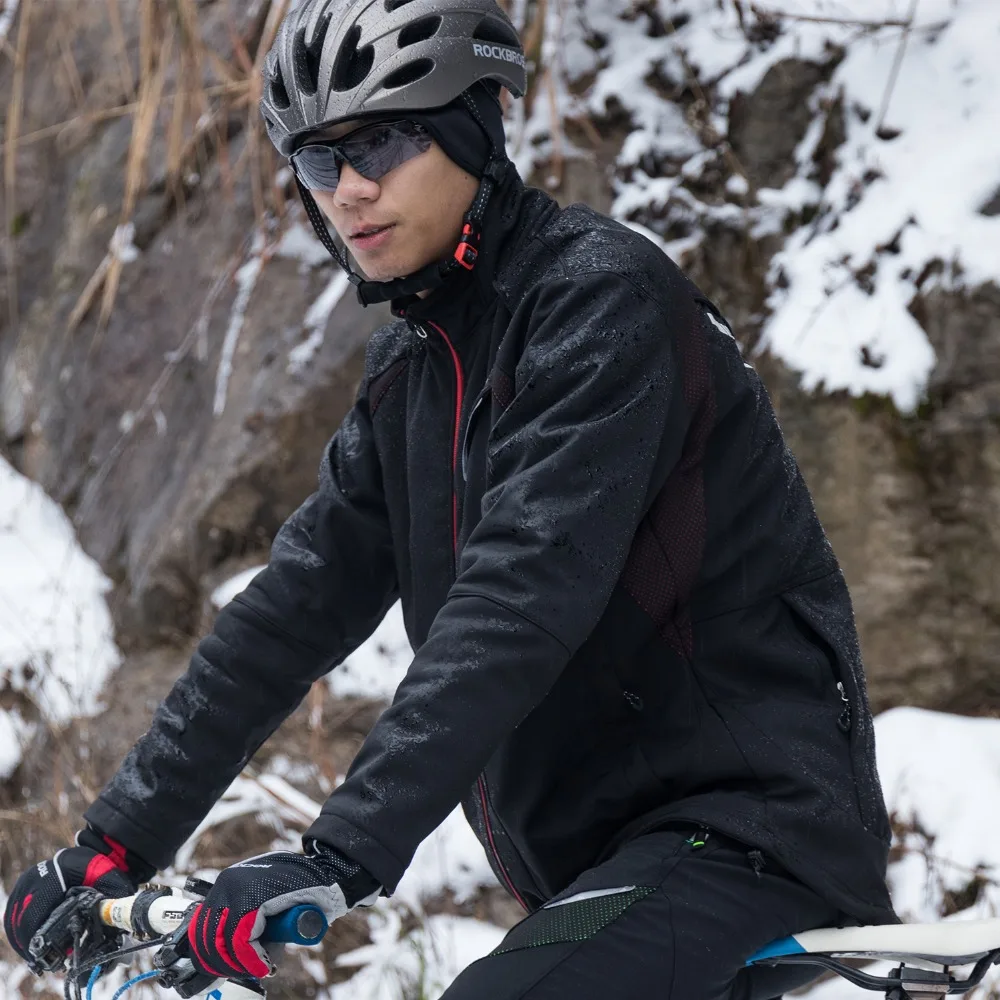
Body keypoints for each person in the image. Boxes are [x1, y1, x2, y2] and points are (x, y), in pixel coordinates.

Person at [3, 0, 900, 996]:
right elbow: (288, 613)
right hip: (606, 876)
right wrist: (115, 839)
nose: (347, 188)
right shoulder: (415, 371)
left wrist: (336, 854)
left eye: (380, 140)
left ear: (473, 126)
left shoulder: (602, 304)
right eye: (314, 161)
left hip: (748, 835)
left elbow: (517, 603)